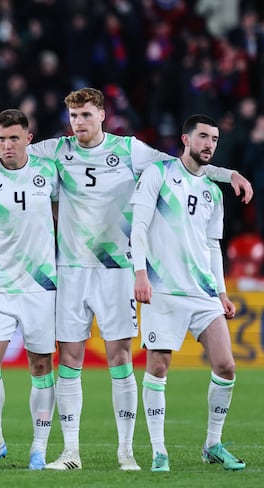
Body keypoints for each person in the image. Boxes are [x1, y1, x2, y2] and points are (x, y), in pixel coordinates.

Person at [0, 87, 252, 471]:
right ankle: (70, 452)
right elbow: (11, 150)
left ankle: (126, 452)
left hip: (117, 270)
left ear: (102, 115)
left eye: (86, 115)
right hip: (70, 271)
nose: (79, 124)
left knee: (120, 358)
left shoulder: (129, 149)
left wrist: (227, 173)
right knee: (69, 360)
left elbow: (180, 164)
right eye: (73, 117)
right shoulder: (59, 150)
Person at [131, 114, 245, 472]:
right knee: (159, 367)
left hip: (203, 293)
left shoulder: (213, 190)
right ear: (185, 139)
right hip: (162, 289)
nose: (209, 144)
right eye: (203, 137)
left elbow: (212, 246)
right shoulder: (159, 175)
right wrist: (140, 274)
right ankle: (159, 451)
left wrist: (222, 292)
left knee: (226, 366)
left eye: (214, 139)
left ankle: (213, 444)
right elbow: (139, 226)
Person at [0, 109, 58, 470]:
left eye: (14, 138)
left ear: (28, 139)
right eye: (0, 139)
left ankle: (39, 448)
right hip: (0, 286)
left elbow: (66, 217)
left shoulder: (49, 172)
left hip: (42, 287)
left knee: (40, 365)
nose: (6, 145)